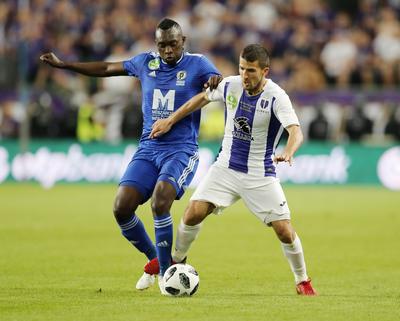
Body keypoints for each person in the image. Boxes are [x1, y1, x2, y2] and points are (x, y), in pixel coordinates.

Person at [40, 18, 221, 292]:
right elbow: (106, 68)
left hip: (181, 150)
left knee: (161, 201)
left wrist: (214, 80)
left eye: (173, 43)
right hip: (148, 149)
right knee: (121, 207)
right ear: (156, 44)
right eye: (162, 45)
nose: (168, 50)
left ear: (183, 41)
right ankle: (156, 261)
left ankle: (165, 276)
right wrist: (65, 65)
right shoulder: (145, 63)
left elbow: (215, 82)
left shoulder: (198, 64)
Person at [150, 44, 317, 296]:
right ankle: (176, 261)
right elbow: (202, 99)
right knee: (193, 212)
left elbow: (296, 130)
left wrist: (289, 151)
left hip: (259, 174)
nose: (244, 75)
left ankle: (302, 280)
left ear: (265, 71)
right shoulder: (230, 85)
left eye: (250, 70)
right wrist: (171, 119)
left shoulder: (277, 96)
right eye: (241, 68)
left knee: (284, 230)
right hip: (225, 168)